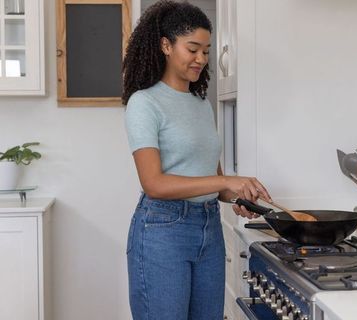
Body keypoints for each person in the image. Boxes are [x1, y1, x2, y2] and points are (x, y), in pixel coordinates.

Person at [122, 1, 272, 319]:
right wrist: (225, 180)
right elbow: (154, 183)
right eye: (193, 49)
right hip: (163, 230)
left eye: (206, 50)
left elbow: (210, 181)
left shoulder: (201, 104)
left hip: (209, 228)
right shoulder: (144, 103)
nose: (201, 59)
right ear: (166, 45)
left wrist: (238, 194)